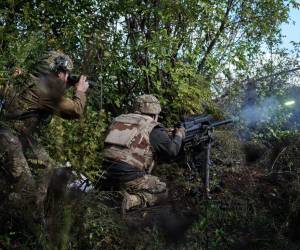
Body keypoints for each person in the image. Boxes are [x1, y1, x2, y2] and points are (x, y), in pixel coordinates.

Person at [0, 51, 89, 209]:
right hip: (12, 140)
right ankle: (26, 216)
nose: (66, 77)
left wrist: (64, 85)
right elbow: (75, 110)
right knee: (27, 187)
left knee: (45, 164)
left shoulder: (25, 79)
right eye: (65, 73)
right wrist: (80, 91)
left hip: (11, 133)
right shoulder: (45, 91)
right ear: (58, 72)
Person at [102, 94, 185, 214]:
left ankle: (112, 191)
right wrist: (179, 135)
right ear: (155, 114)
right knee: (164, 190)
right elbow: (171, 152)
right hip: (129, 176)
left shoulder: (118, 119)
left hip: (105, 172)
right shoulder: (152, 126)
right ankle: (132, 200)